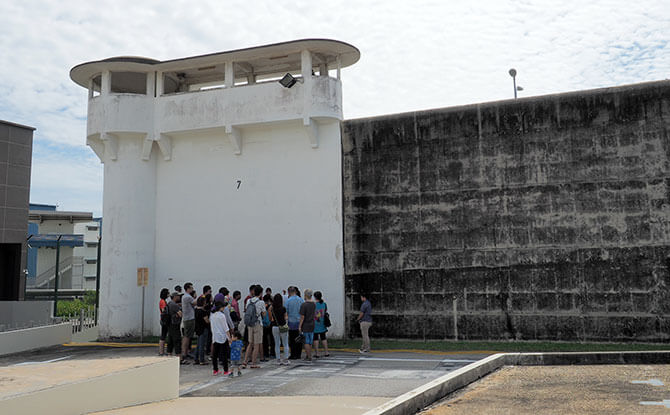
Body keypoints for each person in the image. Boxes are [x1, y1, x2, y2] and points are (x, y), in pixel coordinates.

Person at [242, 285, 265, 368]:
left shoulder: (249, 301)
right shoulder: (261, 302)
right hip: (257, 324)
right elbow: (264, 314)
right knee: (256, 344)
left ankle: (245, 361)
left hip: (249, 324)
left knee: (250, 343)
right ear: (261, 293)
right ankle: (253, 363)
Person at [210, 300, 232, 376]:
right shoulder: (222, 316)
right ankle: (226, 370)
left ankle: (215, 370)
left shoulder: (212, 315)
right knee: (224, 355)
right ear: (221, 307)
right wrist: (229, 338)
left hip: (215, 336)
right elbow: (226, 328)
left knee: (215, 355)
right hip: (222, 337)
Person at [269, 293, 289, 365]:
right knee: (285, 343)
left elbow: (271, 318)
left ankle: (278, 360)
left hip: (275, 326)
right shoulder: (283, 308)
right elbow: (286, 317)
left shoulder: (272, 308)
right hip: (283, 326)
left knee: (277, 343)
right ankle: (286, 359)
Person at [180, 283, 197, 364]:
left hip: (188, 318)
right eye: (191, 288)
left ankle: (186, 352)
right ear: (188, 288)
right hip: (189, 319)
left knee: (188, 336)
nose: (192, 289)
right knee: (187, 336)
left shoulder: (186, 296)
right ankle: (184, 352)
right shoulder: (187, 297)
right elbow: (195, 303)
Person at [286, 286, 304, 360]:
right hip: (299, 322)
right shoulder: (301, 300)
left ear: (289, 292)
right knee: (299, 339)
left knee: (292, 339)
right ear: (295, 292)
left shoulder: (288, 301)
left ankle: (293, 354)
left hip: (291, 322)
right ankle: (298, 354)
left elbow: (286, 311)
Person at [299, 289, 316, 362]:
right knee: (310, 340)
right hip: (312, 323)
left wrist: (300, 326)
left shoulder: (304, 305)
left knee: (306, 341)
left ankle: (309, 356)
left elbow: (302, 317)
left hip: (305, 324)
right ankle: (309, 354)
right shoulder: (314, 304)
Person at [194, 296, 210, 365]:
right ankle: (202, 360)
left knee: (198, 344)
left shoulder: (196, 310)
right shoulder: (203, 312)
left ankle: (196, 358)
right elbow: (207, 321)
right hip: (203, 328)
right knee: (202, 345)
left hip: (198, 328)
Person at [313, 291, 329, 358]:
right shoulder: (324, 304)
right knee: (323, 337)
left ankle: (317, 353)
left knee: (315, 338)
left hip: (315, 323)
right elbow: (325, 311)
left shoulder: (313, 304)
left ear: (315, 297)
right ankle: (326, 352)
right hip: (322, 323)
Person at [166, 292, 182, 356]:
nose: (179, 297)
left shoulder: (169, 303)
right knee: (177, 340)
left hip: (170, 324)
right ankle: (179, 358)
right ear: (175, 297)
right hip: (175, 324)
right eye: (178, 296)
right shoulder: (174, 305)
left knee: (170, 340)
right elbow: (180, 314)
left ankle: (169, 354)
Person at [261, 294, 274, 361]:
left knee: (264, 340)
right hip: (270, 324)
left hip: (264, 324)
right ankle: (272, 353)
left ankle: (265, 353)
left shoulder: (262, 305)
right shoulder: (271, 306)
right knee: (272, 339)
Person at [158, 288, 170, 356]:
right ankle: (161, 351)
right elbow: (163, 310)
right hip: (164, 320)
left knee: (164, 335)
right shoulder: (163, 302)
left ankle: (161, 351)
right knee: (163, 335)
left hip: (163, 320)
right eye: (168, 293)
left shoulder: (163, 301)